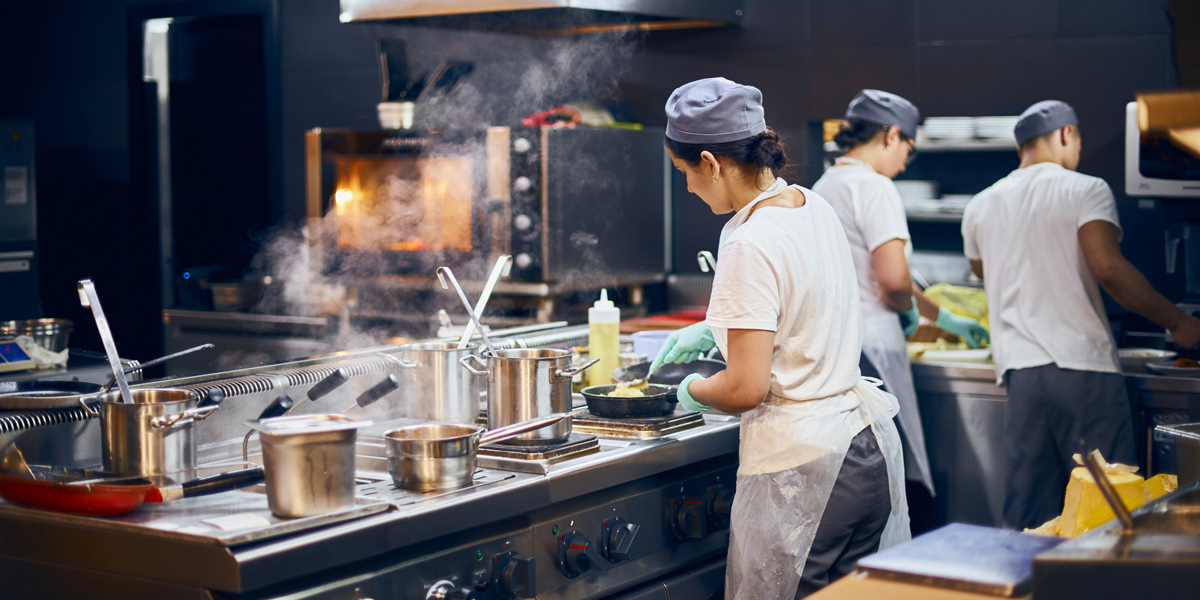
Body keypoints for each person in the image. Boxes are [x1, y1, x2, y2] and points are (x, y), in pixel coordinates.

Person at [649, 77, 910, 599]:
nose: (689, 188)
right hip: (866, 449)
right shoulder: (811, 204)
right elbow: (802, 308)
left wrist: (683, 392)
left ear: (712, 162)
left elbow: (745, 389)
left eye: (684, 173)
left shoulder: (748, 238)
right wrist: (717, 327)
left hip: (806, 473)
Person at [961, 99, 1200, 530]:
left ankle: (1022, 590)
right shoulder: (1084, 188)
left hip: (1021, 373)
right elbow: (1108, 269)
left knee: (1030, 515)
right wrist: (1179, 322)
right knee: (1108, 503)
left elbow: (983, 271)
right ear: (1066, 134)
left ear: (1021, 148)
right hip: (1083, 369)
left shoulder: (980, 204)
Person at [812, 89, 989, 497]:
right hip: (874, 344)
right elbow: (892, 282)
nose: (907, 160)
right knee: (891, 465)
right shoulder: (875, 188)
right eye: (909, 147)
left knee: (855, 465)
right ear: (891, 135)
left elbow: (879, 272)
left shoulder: (824, 185)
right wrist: (906, 311)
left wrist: (938, 315)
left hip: (835, 343)